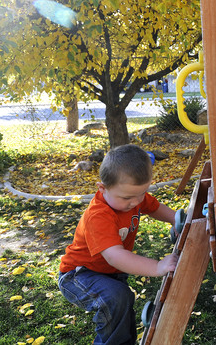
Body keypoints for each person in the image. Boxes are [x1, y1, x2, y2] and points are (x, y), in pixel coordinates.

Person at [58, 144, 179, 344]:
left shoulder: (133, 196)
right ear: (102, 188)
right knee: (116, 298)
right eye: (127, 198)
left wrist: (175, 218)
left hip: (110, 272)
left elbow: (153, 207)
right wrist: (157, 267)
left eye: (142, 193)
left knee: (121, 308)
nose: (136, 202)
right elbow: (115, 255)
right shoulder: (99, 216)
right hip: (79, 274)